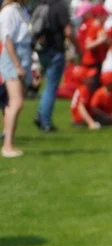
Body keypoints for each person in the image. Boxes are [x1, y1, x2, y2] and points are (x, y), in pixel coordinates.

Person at [32, 0, 70, 132]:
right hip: (55, 49)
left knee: (46, 85)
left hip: (43, 50)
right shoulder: (60, 6)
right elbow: (68, 31)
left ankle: (41, 114)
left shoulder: (42, 4)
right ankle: (45, 121)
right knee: (51, 87)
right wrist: (78, 48)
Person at [0, 0, 31, 157]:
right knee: (16, 101)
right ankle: (7, 146)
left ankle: (9, 142)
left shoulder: (21, 9)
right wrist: (17, 65)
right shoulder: (9, 11)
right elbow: (7, 39)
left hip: (22, 53)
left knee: (16, 102)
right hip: (13, 56)